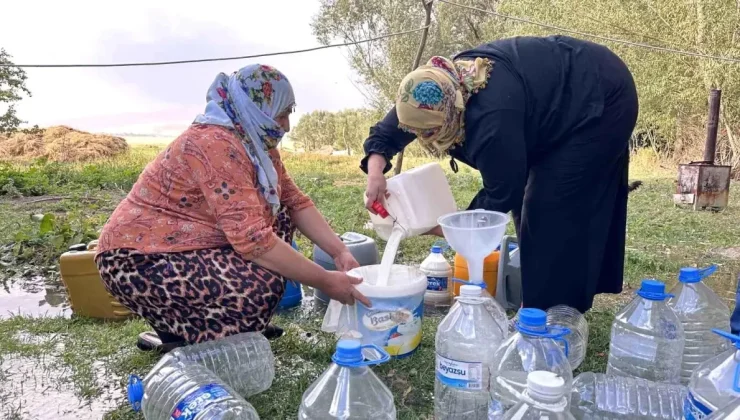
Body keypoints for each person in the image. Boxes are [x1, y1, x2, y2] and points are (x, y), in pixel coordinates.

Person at [96, 64, 369, 352]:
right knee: (257, 288)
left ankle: (213, 331)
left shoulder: (256, 144)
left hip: (185, 245)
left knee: (282, 222)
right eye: (283, 112)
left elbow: (295, 201)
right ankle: (191, 336)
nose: (286, 125)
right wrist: (325, 281)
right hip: (137, 259)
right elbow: (254, 242)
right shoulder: (214, 143)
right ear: (257, 105)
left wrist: (340, 252)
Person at [362, 35, 639, 313]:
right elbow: (394, 128)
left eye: (429, 132)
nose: (422, 138)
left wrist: (446, 229)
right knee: (530, 211)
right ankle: (537, 299)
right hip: (553, 99)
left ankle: (551, 317)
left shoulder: (490, 118)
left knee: (548, 206)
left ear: (452, 111)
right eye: (415, 132)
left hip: (600, 98)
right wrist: (376, 171)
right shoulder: (426, 90)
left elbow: (503, 191)